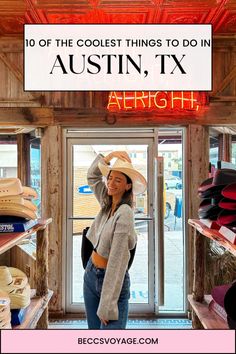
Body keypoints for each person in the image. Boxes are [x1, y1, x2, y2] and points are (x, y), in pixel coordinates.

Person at [83, 151, 147, 329]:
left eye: (118, 180)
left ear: (128, 186)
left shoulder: (124, 213)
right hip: (90, 274)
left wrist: (108, 304)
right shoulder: (107, 202)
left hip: (111, 282)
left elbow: (118, 262)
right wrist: (109, 156)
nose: (110, 183)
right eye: (110, 178)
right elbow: (92, 176)